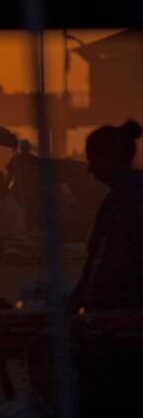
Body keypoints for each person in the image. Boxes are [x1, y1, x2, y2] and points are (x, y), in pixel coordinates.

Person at [69, 120, 143, 312]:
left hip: (123, 308)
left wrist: (81, 301)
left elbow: (106, 258)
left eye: (92, 161)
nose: (90, 170)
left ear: (112, 157)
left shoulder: (123, 198)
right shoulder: (131, 191)